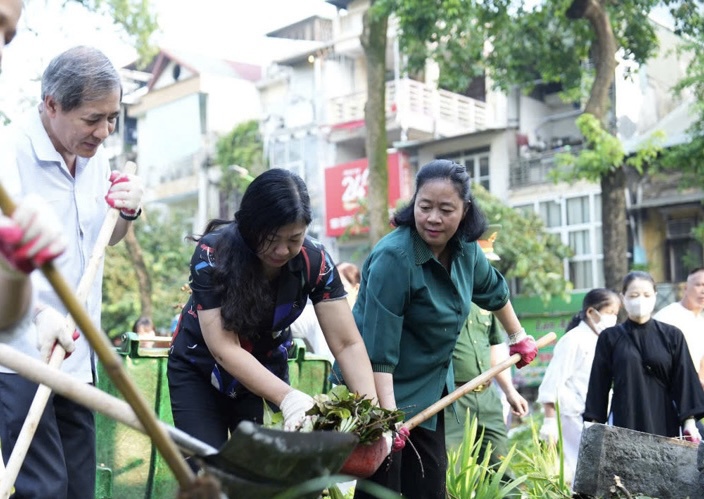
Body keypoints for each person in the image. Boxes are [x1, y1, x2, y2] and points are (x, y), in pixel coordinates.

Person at [342, 160, 538, 499]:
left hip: (430, 389)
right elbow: (379, 352)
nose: (433, 218)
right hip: (379, 387)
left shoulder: (466, 250)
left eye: (446, 209)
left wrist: (517, 337)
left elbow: (495, 291)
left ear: (465, 211)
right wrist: (387, 417)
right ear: (413, 203)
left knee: (429, 482)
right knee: (382, 488)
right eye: (425, 206)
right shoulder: (395, 258)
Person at [0, 45, 144, 498]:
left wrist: (128, 211)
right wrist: (39, 314)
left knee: (80, 488)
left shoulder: (93, 154)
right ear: (51, 105)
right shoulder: (9, 154)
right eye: (92, 119)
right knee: (43, 489)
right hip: (22, 357)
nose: (104, 132)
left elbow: (105, 238)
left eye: (112, 118)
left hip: (78, 360)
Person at [167, 168, 380, 468]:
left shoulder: (315, 261)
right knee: (206, 475)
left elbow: (347, 343)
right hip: (200, 371)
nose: (282, 250)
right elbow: (223, 348)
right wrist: (289, 398)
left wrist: (371, 415)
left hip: (264, 373)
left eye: (294, 238)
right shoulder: (212, 253)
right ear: (250, 226)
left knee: (266, 476)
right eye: (271, 238)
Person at [444, 225, 529, 474]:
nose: (486, 272)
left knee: (500, 470)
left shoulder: (490, 302)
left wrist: (510, 391)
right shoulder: (442, 298)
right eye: (482, 265)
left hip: (488, 398)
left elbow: (495, 347)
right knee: (453, 472)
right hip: (453, 398)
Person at [583, 271, 704, 443]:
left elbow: (684, 380)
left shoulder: (672, 335)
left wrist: (689, 421)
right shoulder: (610, 337)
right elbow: (599, 384)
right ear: (623, 298)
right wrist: (593, 424)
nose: (640, 300)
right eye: (633, 295)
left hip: (664, 419)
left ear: (655, 296)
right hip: (625, 418)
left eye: (646, 295)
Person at [537, 287, 621, 481]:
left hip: (594, 417)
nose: (613, 318)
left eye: (616, 314)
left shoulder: (601, 340)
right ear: (591, 312)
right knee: (577, 472)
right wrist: (549, 423)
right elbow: (552, 383)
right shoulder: (573, 340)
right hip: (572, 416)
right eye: (610, 313)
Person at [653, 268, 704, 389]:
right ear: (685, 288)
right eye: (698, 285)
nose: (703, 291)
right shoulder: (667, 317)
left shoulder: (701, 321)